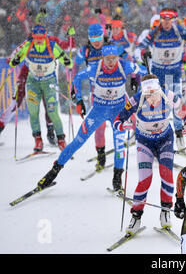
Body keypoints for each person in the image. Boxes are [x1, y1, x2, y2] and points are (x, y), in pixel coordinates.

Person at [36, 44, 145, 192]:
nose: (111, 62)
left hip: (118, 112)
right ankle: (52, 173)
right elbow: (77, 78)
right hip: (98, 110)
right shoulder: (95, 69)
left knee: (119, 145)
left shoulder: (125, 66)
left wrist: (136, 78)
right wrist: (79, 99)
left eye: (114, 58)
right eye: (108, 59)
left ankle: (117, 178)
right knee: (78, 141)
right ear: (103, 58)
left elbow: (143, 70)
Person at [113, 74, 186, 234]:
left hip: (165, 140)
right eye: (147, 95)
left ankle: (165, 212)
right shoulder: (136, 100)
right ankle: (136, 216)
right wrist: (123, 126)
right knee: (145, 179)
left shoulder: (169, 95)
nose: (152, 98)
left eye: (154, 93)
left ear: (159, 90)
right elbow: (117, 121)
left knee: (167, 176)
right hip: (145, 142)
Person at [134, 7, 186, 148]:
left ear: (173, 20)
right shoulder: (156, 31)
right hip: (157, 74)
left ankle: (178, 132)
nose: (166, 23)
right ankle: (154, 135)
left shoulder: (179, 30)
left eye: (169, 20)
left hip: (174, 74)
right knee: (155, 104)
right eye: (164, 19)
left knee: (176, 102)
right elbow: (139, 47)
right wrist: (140, 56)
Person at [8, 25, 72, 152]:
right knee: (33, 112)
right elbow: (13, 61)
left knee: (52, 112)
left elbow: (68, 62)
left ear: (45, 36)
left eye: (41, 38)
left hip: (49, 82)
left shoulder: (52, 46)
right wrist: (14, 61)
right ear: (33, 36)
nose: (38, 40)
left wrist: (66, 60)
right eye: (36, 37)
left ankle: (61, 139)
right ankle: (38, 140)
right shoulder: (28, 46)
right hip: (33, 83)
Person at [74, 23, 109, 171]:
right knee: (99, 127)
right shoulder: (85, 51)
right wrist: (75, 92)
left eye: (99, 37)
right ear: (89, 38)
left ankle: (150, 147)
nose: (96, 41)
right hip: (97, 94)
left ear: (103, 36)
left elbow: (128, 59)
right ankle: (101, 157)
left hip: (116, 92)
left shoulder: (110, 47)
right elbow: (75, 67)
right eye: (93, 37)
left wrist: (133, 77)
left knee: (132, 121)